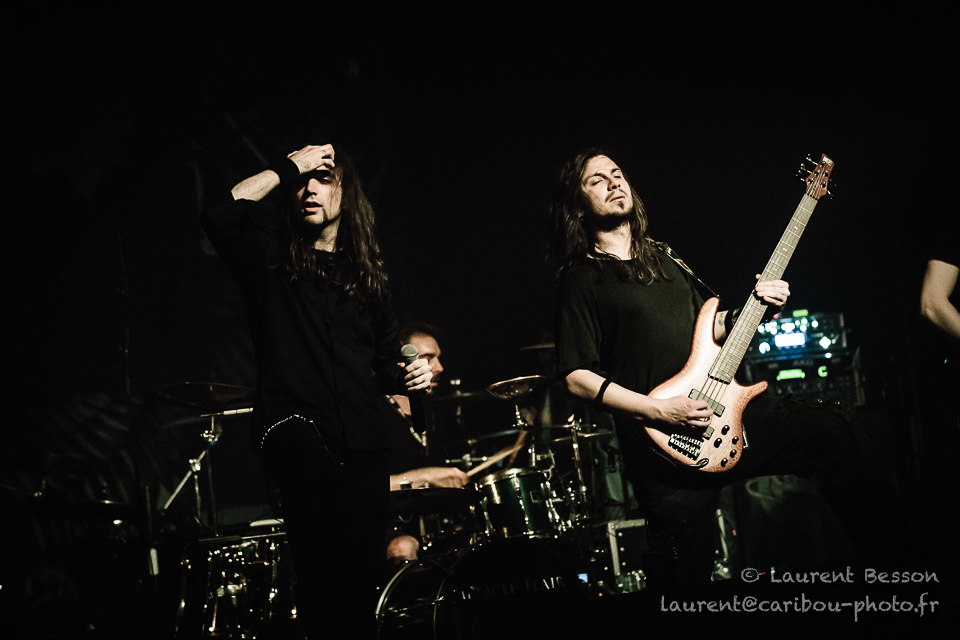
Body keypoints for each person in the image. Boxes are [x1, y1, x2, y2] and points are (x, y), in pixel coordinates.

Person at [549, 148, 882, 588]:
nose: (614, 183)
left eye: (617, 173)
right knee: (683, 584)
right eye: (597, 180)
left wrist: (756, 307)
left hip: (723, 414)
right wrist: (658, 411)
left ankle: (886, 569)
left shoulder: (665, 258)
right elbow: (576, 377)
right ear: (577, 206)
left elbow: (712, 327)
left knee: (836, 429)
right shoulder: (581, 279)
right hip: (664, 446)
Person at [201, 142, 432, 639]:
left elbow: (384, 362)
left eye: (323, 178)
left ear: (346, 194)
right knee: (322, 572)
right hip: (295, 429)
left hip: (362, 441)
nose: (309, 188)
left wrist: (407, 376)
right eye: (302, 181)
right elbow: (220, 214)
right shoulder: (269, 260)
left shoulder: (367, 278)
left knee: (359, 583)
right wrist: (291, 166)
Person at [383, 323, 469, 564]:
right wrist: (427, 476)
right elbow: (362, 487)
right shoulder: (371, 413)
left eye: (438, 358)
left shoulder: (432, 413)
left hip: (428, 525)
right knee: (403, 547)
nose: (439, 368)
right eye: (428, 358)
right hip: (381, 527)